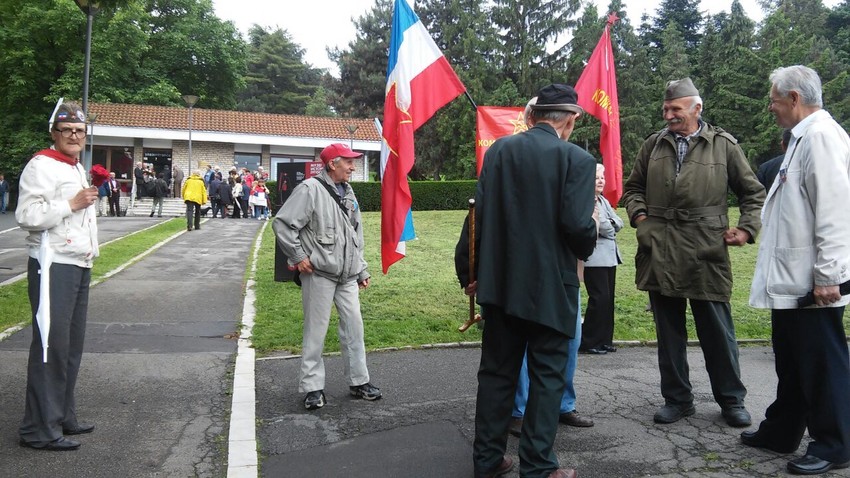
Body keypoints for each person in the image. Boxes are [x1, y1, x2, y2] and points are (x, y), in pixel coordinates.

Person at [467, 84, 598, 478]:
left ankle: (487, 460)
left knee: (496, 374)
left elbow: (479, 214)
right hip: (551, 290)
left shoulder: (499, 151)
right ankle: (539, 467)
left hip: (501, 285)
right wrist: (591, 231)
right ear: (570, 120)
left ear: (533, 116)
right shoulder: (578, 159)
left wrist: (472, 274)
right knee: (547, 378)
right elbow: (577, 228)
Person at [622, 78, 765, 428]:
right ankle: (677, 399)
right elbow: (633, 188)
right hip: (660, 248)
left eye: (676, 109)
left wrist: (747, 229)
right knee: (668, 333)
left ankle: (732, 400)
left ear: (697, 109)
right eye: (665, 109)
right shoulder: (653, 145)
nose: (669, 115)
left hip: (706, 249)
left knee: (717, 331)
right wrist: (641, 218)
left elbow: (753, 193)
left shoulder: (724, 145)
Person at [743, 65, 850, 476]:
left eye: (773, 99)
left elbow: (835, 212)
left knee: (821, 363)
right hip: (793, 276)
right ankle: (782, 429)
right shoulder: (803, 138)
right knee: (791, 359)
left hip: (813, 280)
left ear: (793, 98)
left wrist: (829, 276)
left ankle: (835, 443)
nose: (770, 107)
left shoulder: (820, 137)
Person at [15, 101, 100, 451]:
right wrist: (72, 204)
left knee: (70, 346)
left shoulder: (74, 167)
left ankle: (63, 415)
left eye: (79, 130)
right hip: (53, 263)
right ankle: (38, 428)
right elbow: (27, 214)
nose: (74, 136)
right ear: (54, 134)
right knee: (51, 344)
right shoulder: (41, 165)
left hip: (77, 262)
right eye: (67, 130)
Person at [272, 142, 381, 411]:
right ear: (332, 164)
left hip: (347, 275)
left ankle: (359, 381)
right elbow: (283, 224)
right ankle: (312, 388)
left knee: (354, 328)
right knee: (315, 332)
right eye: (349, 162)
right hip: (319, 274)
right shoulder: (310, 189)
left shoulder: (349, 192)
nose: (353, 167)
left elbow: (356, 236)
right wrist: (298, 257)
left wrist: (362, 268)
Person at [579, 164, 623, 355]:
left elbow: (618, 222)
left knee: (608, 300)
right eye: (596, 177)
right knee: (599, 299)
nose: (600, 181)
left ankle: (605, 340)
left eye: (602, 178)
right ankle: (589, 342)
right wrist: (611, 225)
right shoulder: (587, 201)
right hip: (595, 258)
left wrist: (611, 225)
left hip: (610, 257)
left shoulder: (603, 201)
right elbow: (606, 227)